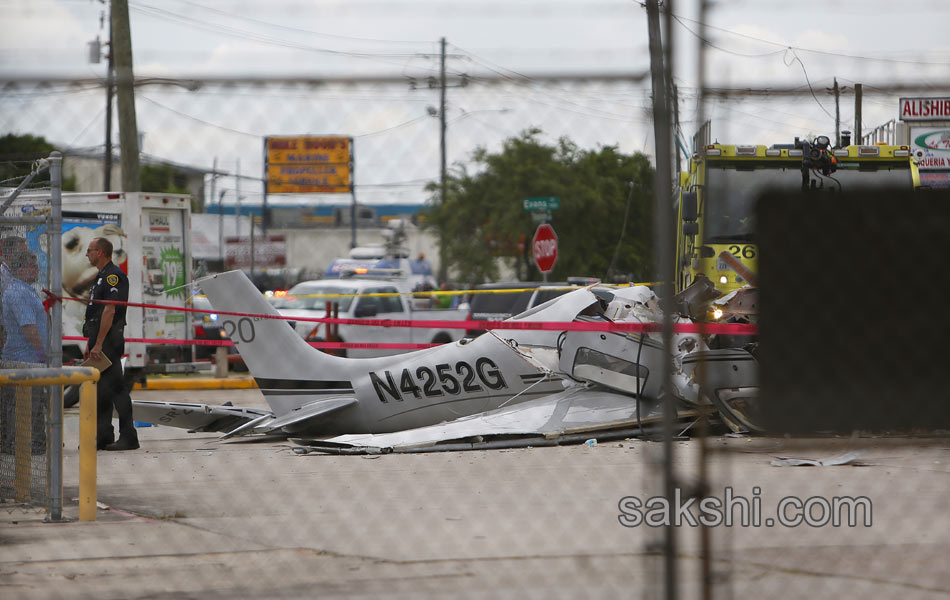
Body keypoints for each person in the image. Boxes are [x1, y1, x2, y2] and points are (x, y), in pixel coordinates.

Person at [84, 237, 139, 451]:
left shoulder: (113, 276)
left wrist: (99, 343)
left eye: (89, 250)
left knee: (117, 389)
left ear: (100, 252)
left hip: (109, 340)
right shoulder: (101, 276)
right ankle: (104, 434)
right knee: (101, 389)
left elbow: (110, 310)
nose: (86, 254)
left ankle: (129, 436)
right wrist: (91, 343)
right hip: (99, 339)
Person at [1, 250, 47, 363]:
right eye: (34, 267)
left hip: (27, 358)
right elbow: (29, 328)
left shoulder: (23, 290)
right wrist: (42, 353)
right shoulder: (20, 292)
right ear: (22, 270)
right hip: (25, 360)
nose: (38, 270)